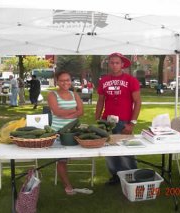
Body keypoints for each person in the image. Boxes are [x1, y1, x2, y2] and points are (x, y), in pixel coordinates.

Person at [95, 52, 142, 185]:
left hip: (124, 122)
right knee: (110, 150)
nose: (114, 65)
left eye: (117, 63)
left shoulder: (131, 80)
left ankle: (132, 176)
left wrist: (132, 123)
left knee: (126, 150)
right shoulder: (103, 81)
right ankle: (115, 175)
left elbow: (138, 102)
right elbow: (100, 100)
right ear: (108, 64)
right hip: (107, 121)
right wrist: (97, 118)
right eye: (112, 62)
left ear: (122, 65)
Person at [47, 70, 92, 195]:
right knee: (62, 160)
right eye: (62, 80)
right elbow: (56, 112)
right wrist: (73, 111)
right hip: (58, 133)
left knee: (75, 154)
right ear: (57, 81)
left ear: (71, 81)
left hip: (74, 132)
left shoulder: (74, 94)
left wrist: (66, 113)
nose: (65, 82)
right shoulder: (52, 95)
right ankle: (68, 186)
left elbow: (81, 111)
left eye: (67, 80)